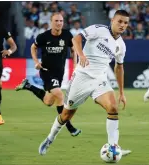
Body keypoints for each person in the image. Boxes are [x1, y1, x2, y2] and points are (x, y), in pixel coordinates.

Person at [38, 10, 131, 156]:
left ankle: (113, 147)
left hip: (99, 80)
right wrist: (81, 55)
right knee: (66, 115)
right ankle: (50, 138)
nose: (122, 25)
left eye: (125, 23)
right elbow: (76, 39)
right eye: (120, 21)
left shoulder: (122, 46)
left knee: (113, 107)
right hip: (81, 77)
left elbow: (119, 67)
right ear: (112, 20)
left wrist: (121, 93)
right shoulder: (99, 29)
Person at [15, 13, 81, 136]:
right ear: (51, 22)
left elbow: (73, 50)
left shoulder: (67, 35)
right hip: (46, 71)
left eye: (61, 21)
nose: (59, 23)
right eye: (56, 21)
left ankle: (28, 86)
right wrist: (35, 61)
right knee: (60, 95)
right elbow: (33, 48)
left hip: (59, 72)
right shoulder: (43, 37)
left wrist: (75, 65)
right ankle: (69, 126)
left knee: (49, 101)